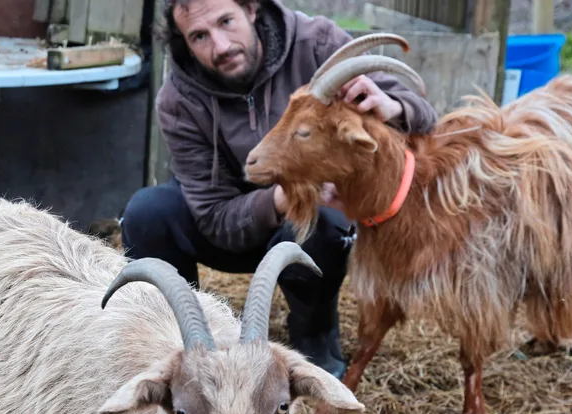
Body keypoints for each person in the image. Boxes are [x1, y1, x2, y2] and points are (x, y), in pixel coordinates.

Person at [120, 0, 437, 378]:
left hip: (313, 221)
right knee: (146, 214)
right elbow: (213, 215)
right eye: (200, 36)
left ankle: (313, 341)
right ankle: (179, 343)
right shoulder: (178, 100)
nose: (220, 46)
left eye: (226, 22)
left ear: (252, 9)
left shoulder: (317, 44)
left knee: (325, 226)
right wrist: (280, 198)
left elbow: (425, 117)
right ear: (185, 43)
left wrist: (393, 105)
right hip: (232, 223)